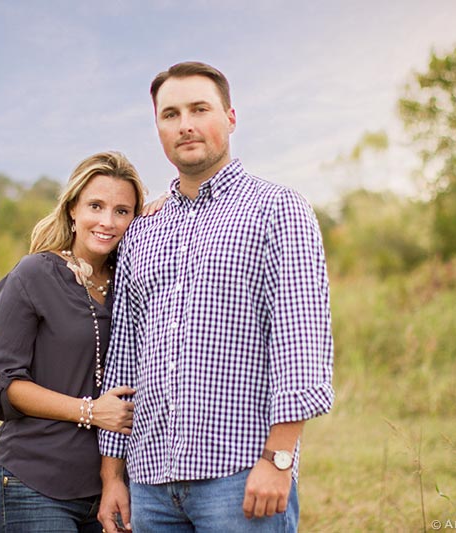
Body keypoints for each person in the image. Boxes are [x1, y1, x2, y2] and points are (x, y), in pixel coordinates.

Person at [97, 62, 335, 532]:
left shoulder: (278, 209)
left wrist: (279, 460)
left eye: (198, 109)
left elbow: (301, 342)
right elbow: (125, 357)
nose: (184, 124)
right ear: (158, 129)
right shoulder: (143, 231)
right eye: (170, 114)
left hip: (241, 477)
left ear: (229, 117)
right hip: (150, 482)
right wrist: (113, 476)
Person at [0, 151, 152, 533]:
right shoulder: (35, 275)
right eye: (96, 206)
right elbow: (1, 385)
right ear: (73, 209)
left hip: (113, 487)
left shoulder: (132, 281)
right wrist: (90, 411)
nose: (108, 221)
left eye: (122, 211)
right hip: (35, 482)